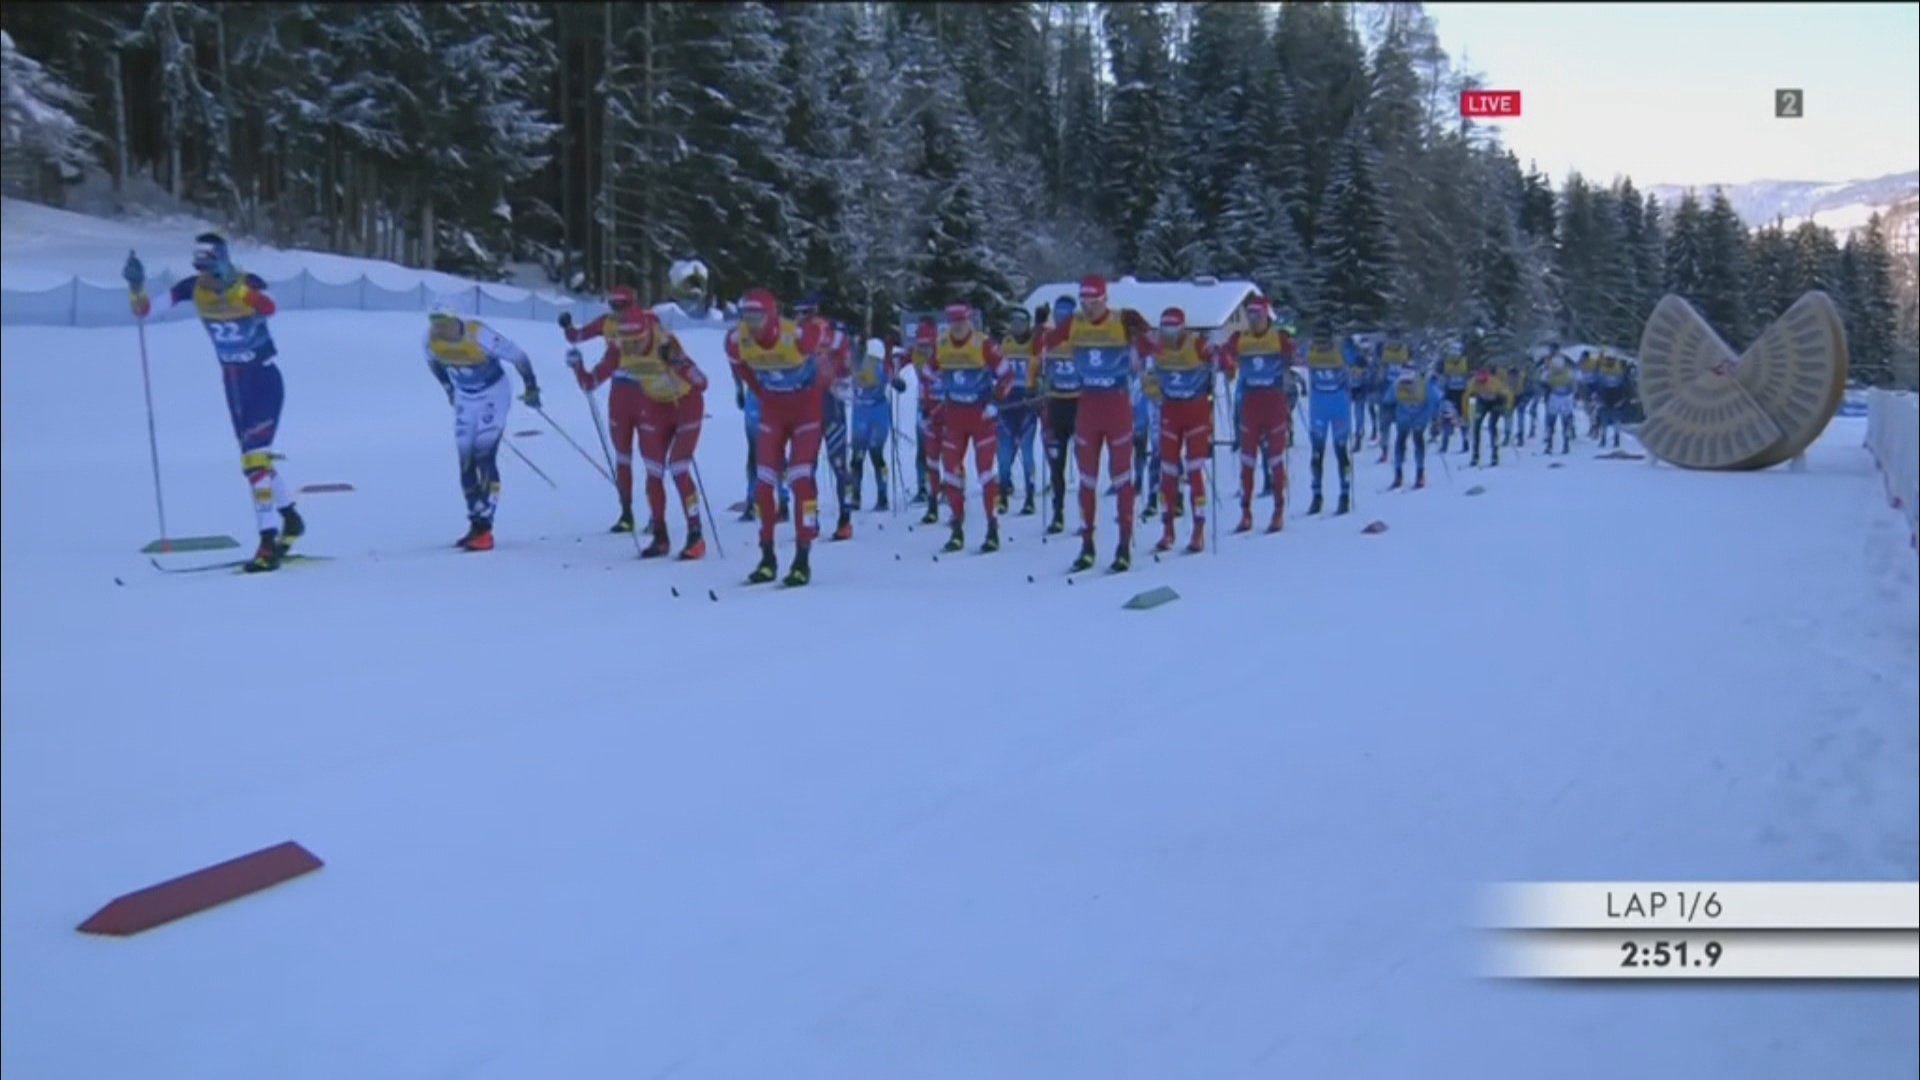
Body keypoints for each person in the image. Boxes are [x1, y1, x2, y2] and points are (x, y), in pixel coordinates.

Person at [125, 234, 305, 572]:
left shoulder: (247, 283)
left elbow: (271, 307)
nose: (205, 274)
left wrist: (240, 292)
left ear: (223, 262)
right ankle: (291, 519)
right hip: (233, 383)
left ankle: (267, 541)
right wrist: (136, 287)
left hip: (263, 379)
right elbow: (144, 312)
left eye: (210, 267)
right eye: (200, 268)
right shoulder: (192, 288)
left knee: (253, 462)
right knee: (255, 461)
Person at [566, 301, 709, 559]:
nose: (631, 346)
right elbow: (590, 384)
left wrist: (677, 363)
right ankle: (660, 536)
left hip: (685, 404)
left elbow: (701, 381)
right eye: (626, 339)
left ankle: (695, 534)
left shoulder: (664, 341)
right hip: (655, 406)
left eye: (637, 340)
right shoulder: (618, 348)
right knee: (653, 471)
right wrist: (577, 367)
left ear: (648, 333)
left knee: (678, 468)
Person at [726, 287, 835, 586]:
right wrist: (762, 395)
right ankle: (767, 556)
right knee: (763, 483)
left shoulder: (796, 336)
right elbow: (743, 372)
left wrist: (824, 382)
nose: (752, 322)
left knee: (800, 479)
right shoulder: (737, 341)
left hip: (805, 410)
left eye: (758, 316)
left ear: (771, 315)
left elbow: (826, 360)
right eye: (747, 315)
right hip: (773, 409)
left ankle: (802, 557)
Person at [1041, 275, 1150, 572]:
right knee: (1086, 480)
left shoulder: (1123, 320)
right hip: (1087, 406)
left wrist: (1145, 350)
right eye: (1084, 303)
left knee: (1121, 478)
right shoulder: (1074, 323)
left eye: (1093, 303)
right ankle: (1087, 545)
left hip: (1117, 407)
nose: (1088, 309)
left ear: (1105, 300)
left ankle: (1124, 545)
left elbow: (1156, 345)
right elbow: (1044, 343)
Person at [424, 305, 542, 551]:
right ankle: (475, 522)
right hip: (466, 398)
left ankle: (486, 527)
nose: (439, 327)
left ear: (456, 319)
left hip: (493, 395)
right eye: (434, 321)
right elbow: (434, 365)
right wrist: (449, 389)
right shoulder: (430, 340)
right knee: (465, 460)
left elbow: (518, 356)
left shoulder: (478, 334)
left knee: (484, 456)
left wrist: (531, 387)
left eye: (443, 321)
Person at [558, 284, 645, 533]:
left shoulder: (648, 322)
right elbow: (578, 337)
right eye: (613, 306)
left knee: (653, 458)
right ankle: (626, 512)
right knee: (623, 456)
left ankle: (656, 517)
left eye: (623, 306)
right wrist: (568, 330)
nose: (618, 312)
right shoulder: (607, 325)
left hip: (649, 391)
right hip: (620, 391)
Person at [929, 303, 1014, 553]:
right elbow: (927, 374)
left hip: (981, 418)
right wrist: (936, 402)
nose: (958, 327)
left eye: (962, 322)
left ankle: (992, 527)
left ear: (970, 322)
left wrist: (996, 400)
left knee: (986, 472)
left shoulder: (983, 344)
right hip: (954, 417)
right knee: (952, 472)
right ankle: (956, 528)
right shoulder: (942, 345)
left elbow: (1006, 374)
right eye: (954, 322)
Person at [1216, 296, 1292, 533]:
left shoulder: (1278, 337)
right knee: (1247, 460)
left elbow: (1293, 357)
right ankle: (1245, 512)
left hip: (1274, 404)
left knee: (1276, 460)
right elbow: (1223, 357)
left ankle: (1278, 510)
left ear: (1266, 315)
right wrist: (1224, 362)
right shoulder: (1240, 338)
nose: (1253, 319)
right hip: (1250, 405)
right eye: (1250, 314)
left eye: (1258, 314)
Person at [1148, 307, 1222, 553]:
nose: (1168, 335)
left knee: (1194, 471)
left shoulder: (1196, 343)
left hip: (1196, 413)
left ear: (1182, 328)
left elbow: (1218, 360)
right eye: (1164, 329)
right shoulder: (1158, 347)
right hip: (1171, 412)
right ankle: (1167, 529)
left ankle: (1198, 529)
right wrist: (1153, 391)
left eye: (1173, 329)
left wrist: (1219, 357)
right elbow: (1148, 374)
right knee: (1167, 472)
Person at [795, 295, 856, 541]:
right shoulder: (793, 336)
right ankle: (812, 521)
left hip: (830, 405)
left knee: (837, 464)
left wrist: (838, 378)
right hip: (805, 407)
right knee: (807, 467)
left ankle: (844, 519)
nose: (800, 318)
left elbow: (848, 366)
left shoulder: (834, 335)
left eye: (804, 313)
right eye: (798, 313)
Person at [1034, 294, 1081, 534]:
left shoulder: (1082, 334)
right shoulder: (1047, 338)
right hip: (1055, 405)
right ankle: (1058, 512)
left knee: (1086, 464)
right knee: (1056, 464)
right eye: (1059, 312)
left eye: (1068, 313)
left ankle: (1085, 515)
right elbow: (1035, 358)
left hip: (1079, 404)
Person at [1300, 322, 1355, 515]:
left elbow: (1358, 361)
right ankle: (1316, 496)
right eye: (1318, 341)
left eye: (1325, 341)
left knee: (1341, 452)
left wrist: (1351, 347)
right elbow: (1290, 356)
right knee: (1316, 454)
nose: (1322, 345)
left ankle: (1344, 495)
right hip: (1319, 410)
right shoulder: (1308, 350)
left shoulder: (1341, 349)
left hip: (1339, 408)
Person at [848, 330, 907, 511]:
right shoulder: (852, 363)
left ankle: (882, 496)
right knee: (857, 457)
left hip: (877, 412)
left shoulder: (880, 364)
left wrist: (898, 383)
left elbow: (895, 380)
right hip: (860, 412)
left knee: (875, 455)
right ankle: (855, 497)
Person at [995, 308, 1041, 516]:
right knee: (1003, 455)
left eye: (1021, 323)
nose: (1017, 327)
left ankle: (1030, 495)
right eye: (1013, 322)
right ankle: (1003, 493)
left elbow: (1043, 358)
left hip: (1027, 405)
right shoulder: (1005, 343)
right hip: (1007, 406)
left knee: (1028, 451)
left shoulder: (1034, 342)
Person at [1388, 366, 1440, 489]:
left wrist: (1434, 418)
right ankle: (1406, 474)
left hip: (1413, 416)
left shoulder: (1420, 384)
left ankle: (1412, 474)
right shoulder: (1400, 384)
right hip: (1410, 416)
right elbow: (1388, 399)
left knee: (1410, 441)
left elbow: (1434, 400)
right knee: (1408, 441)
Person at [1464, 366, 1514, 467]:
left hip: (1496, 402)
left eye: (1483, 381)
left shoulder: (1494, 383)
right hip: (1482, 402)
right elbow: (1466, 397)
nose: (1481, 383)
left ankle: (1495, 455)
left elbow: (1509, 394)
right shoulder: (1473, 382)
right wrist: (1466, 413)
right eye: (1479, 380)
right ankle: (1475, 456)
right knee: (1476, 426)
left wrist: (1508, 408)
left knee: (1492, 426)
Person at [1541, 352, 1578, 455]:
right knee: (1565, 421)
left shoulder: (1549, 371)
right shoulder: (1568, 371)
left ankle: (1549, 444)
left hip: (1554, 397)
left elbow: (1542, 381)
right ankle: (1565, 443)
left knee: (1551, 422)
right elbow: (1574, 383)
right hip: (1566, 397)